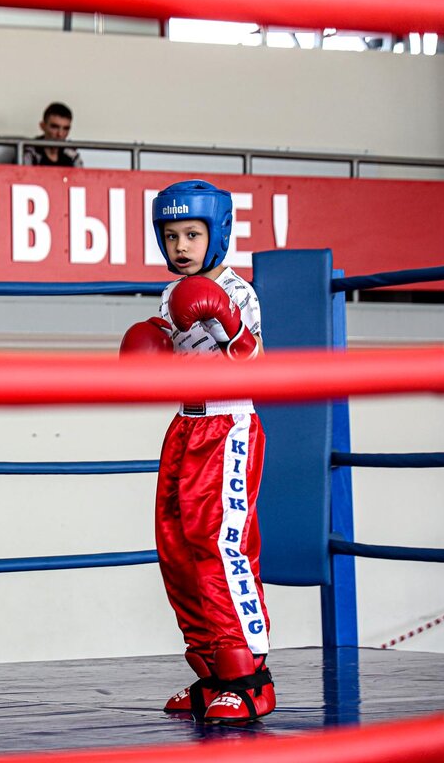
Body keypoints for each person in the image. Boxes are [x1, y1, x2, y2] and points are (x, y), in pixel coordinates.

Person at [120, 179, 273, 725]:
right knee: (176, 549)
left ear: (217, 234)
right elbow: (159, 364)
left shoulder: (237, 291)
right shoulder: (167, 297)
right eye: (170, 235)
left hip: (228, 425)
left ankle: (251, 677)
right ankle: (212, 673)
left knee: (219, 545)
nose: (180, 245)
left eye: (191, 233)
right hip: (184, 425)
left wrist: (226, 320)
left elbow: (253, 361)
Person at [22, 102, 81, 168]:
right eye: (55, 127)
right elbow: (24, 176)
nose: (60, 134)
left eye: (66, 128)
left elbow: (80, 177)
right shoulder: (30, 152)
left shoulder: (71, 154)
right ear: (42, 126)